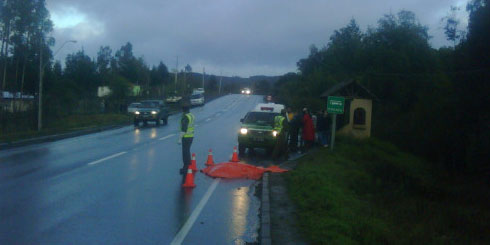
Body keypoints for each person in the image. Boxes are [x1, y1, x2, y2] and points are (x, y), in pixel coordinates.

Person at [178, 104, 195, 175]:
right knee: (187, 151)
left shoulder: (185, 117)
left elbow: (184, 129)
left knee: (185, 153)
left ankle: (186, 167)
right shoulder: (191, 115)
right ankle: (189, 165)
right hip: (191, 136)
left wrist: (179, 138)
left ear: (183, 110)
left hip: (186, 137)